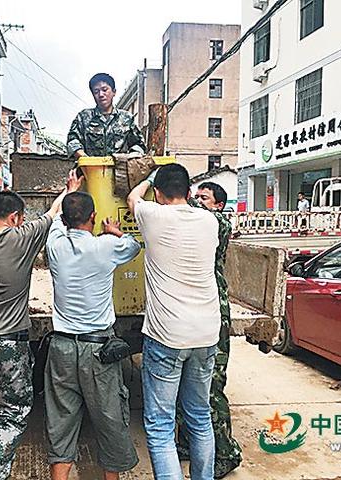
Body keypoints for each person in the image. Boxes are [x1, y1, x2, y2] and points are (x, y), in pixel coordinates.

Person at [0, 172, 82, 480]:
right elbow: (53, 214)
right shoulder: (24, 237)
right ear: (16, 217)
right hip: (11, 344)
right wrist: (70, 190)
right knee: (10, 412)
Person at [127, 164, 220, 480]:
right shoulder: (209, 220)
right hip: (207, 334)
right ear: (190, 192)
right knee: (199, 416)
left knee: (160, 424)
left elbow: (131, 197)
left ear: (157, 192)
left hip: (167, 334)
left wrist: (148, 178)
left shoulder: (153, 215)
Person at [44, 191, 141, 480]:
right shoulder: (106, 246)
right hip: (98, 350)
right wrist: (115, 231)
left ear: (64, 219)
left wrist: (68, 188)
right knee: (110, 419)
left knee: (60, 420)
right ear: (93, 217)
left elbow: (54, 219)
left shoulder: (55, 244)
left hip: (61, 347)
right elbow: (133, 247)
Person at [177, 182, 242, 478]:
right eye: (197, 196)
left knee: (212, 388)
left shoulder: (218, 223)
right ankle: (191, 443)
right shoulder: (198, 220)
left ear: (218, 205)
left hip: (215, 312)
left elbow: (189, 210)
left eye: (205, 198)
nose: (198, 202)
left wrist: (180, 195)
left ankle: (227, 453)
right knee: (185, 385)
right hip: (195, 310)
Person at [67, 73, 147, 159]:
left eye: (104, 90)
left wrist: (129, 158)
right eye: (96, 91)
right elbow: (72, 141)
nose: (101, 94)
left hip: (119, 169)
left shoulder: (126, 118)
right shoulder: (83, 117)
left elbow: (139, 144)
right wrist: (85, 159)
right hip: (90, 169)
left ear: (114, 92)